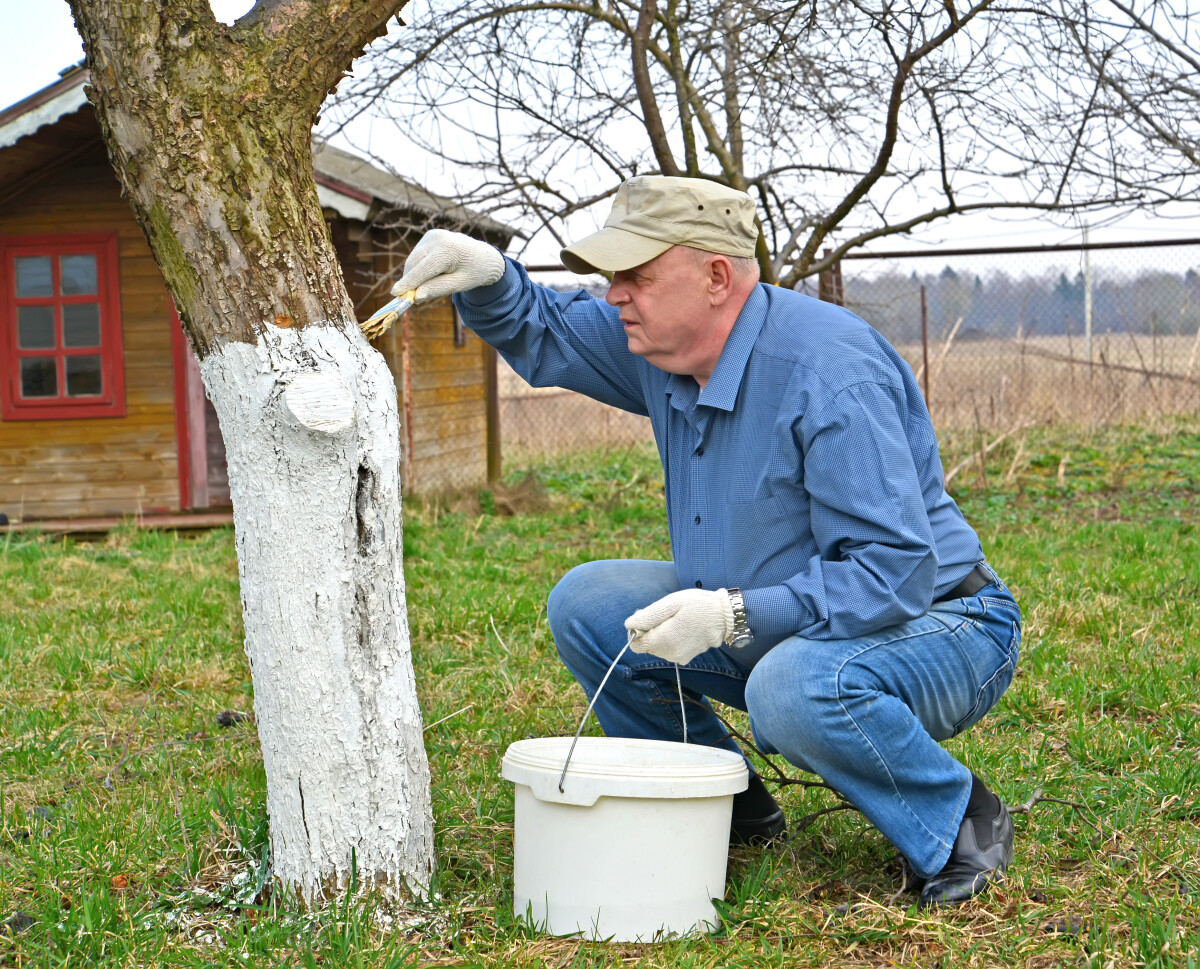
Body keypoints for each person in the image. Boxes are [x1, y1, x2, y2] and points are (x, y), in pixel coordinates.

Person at [366, 176, 1022, 908]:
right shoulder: (658, 349)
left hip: (939, 624)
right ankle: (731, 803)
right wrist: (486, 273)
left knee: (793, 686)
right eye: (614, 276)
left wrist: (733, 613)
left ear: (715, 276)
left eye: (636, 275)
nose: (615, 293)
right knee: (588, 602)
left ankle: (961, 818)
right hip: (783, 620)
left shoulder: (830, 372)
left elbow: (894, 573)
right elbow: (545, 327)